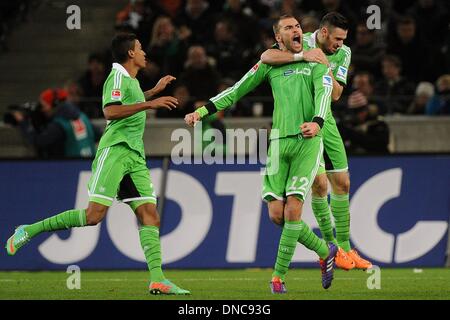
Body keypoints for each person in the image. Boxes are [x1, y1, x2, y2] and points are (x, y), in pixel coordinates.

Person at [5, 33, 190, 296]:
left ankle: (158, 279)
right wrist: (150, 102)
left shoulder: (130, 81)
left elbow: (128, 101)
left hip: (134, 155)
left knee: (150, 214)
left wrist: (153, 91)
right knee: (94, 216)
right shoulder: (115, 76)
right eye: (140, 48)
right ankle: (29, 229)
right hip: (114, 151)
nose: (144, 52)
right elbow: (110, 111)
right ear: (130, 54)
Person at [185, 15, 338, 293]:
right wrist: (202, 110)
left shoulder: (315, 59)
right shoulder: (270, 63)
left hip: (307, 141)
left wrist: (317, 122)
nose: (296, 30)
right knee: (276, 215)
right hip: (278, 143)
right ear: (278, 38)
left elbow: (324, 93)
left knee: (293, 209)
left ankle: (277, 277)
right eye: (289, 28)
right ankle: (325, 251)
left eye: (298, 26)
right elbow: (236, 90)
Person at [260, 12, 372, 270]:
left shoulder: (344, 53)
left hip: (325, 120)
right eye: (337, 39)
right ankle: (332, 246)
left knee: (342, 183)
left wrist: (323, 67)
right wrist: (303, 56)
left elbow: (336, 94)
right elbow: (267, 56)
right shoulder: (301, 40)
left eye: (344, 39)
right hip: (298, 125)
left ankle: (344, 247)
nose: (340, 44)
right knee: (320, 186)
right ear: (323, 33)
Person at [12, 88, 96, 158]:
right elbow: (98, 133)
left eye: (44, 106)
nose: (42, 110)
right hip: (90, 165)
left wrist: (23, 122)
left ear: (54, 105)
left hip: (71, 167)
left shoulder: (58, 125)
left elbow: (38, 141)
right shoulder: (82, 116)